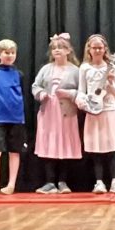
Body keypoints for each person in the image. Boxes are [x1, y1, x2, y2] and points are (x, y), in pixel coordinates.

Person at [31, 34, 82, 194]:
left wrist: (68, 94)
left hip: (66, 113)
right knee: (49, 144)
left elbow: (82, 92)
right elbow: (35, 85)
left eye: (60, 48)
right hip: (49, 112)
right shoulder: (46, 69)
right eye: (54, 48)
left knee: (64, 144)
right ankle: (49, 182)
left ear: (68, 50)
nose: (57, 51)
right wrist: (40, 94)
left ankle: (62, 181)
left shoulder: (75, 70)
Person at [77, 34, 115, 194]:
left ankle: (114, 181)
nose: (97, 50)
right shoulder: (84, 68)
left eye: (100, 47)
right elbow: (81, 91)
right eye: (94, 47)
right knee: (95, 147)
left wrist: (110, 83)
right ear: (89, 50)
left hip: (110, 110)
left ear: (105, 49)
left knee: (113, 147)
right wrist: (82, 102)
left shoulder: (111, 68)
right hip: (93, 111)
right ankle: (98, 182)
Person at [0, 39, 28, 195]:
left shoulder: (19, 74)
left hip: (16, 118)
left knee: (14, 152)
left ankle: (11, 184)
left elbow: (21, 93)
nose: (9, 56)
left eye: (12, 53)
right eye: (6, 53)